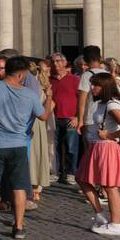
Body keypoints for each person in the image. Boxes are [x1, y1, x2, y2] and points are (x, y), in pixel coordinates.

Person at [0, 55, 50, 240]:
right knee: (19, 185)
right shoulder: (30, 94)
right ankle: (19, 226)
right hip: (19, 144)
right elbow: (43, 117)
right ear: (22, 75)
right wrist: (50, 98)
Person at [77, 72, 120, 236]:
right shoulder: (102, 103)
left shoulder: (112, 105)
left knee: (109, 186)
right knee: (82, 179)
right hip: (96, 146)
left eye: (96, 85)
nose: (92, 87)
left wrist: (109, 135)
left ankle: (116, 223)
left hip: (106, 146)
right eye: (92, 84)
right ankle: (100, 215)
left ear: (105, 87)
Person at [50, 52, 81, 184]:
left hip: (70, 118)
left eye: (58, 61)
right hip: (53, 119)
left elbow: (81, 100)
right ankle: (56, 172)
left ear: (64, 63)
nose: (55, 64)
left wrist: (78, 117)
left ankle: (70, 173)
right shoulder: (49, 80)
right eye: (53, 61)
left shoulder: (74, 80)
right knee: (54, 148)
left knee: (71, 147)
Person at [29, 59, 54, 206]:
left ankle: (33, 187)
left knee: (32, 153)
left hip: (33, 120)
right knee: (36, 153)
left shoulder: (32, 86)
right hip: (39, 121)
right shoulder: (43, 84)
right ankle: (35, 188)